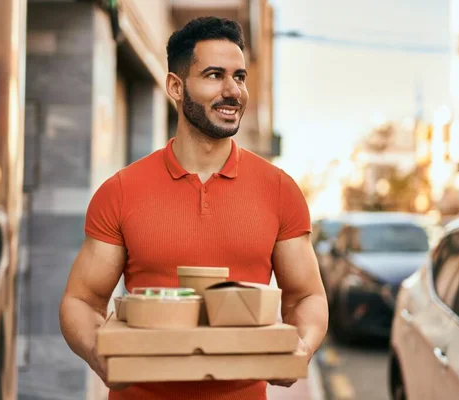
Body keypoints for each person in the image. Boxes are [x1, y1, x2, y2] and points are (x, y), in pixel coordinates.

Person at [59, 16, 328, 400]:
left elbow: (306, 296)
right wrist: (101, 356)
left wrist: (301, 347)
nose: (233, 90)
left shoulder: (280, 190)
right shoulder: (121, 191)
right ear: (175, 86)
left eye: (239, 77)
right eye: (215, 75)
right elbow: (81, 300)